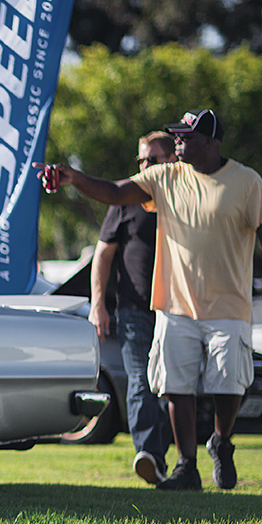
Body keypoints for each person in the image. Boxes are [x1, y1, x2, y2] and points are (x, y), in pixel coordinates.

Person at [39, 109, 262, 491]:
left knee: (229, 385)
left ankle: (221, 441)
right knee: (176, 386)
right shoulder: (165, 177)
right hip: (175, 305)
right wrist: (75, 178)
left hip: (228, 306)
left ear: (209, 142)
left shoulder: (246, 181)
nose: (178, 142)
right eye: (176, 136)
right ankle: (186, 466)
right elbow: (116, 192)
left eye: (185, 137)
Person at [89, 131, 176, 485]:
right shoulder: (124, 200)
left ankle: (170, 458)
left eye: (152, 160)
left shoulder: (183, 196)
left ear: (172, 160)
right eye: (140, 160)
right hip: (133, 310)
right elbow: (103, 254)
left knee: (173, 387)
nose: (144, 167)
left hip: (176, 310)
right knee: (140, 381)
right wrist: (98, 304)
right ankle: (149, 456)